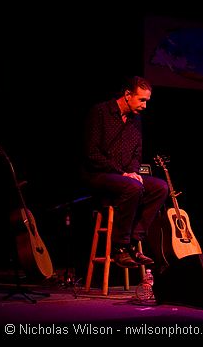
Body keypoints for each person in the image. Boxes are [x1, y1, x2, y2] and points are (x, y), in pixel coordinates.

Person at [81, 76, 168, 268]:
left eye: (147, 101)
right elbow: (91, 154)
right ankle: (119, 247)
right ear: (127, 95)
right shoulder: (100, 113)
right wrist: (122, 173)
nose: (145, 106)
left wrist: (133, 171)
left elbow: (136, 154)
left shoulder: (136, 120)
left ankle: (133, 241)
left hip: (124, 177)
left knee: (161, 187)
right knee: (133, 186)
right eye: (142, 100)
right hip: (98, 175)